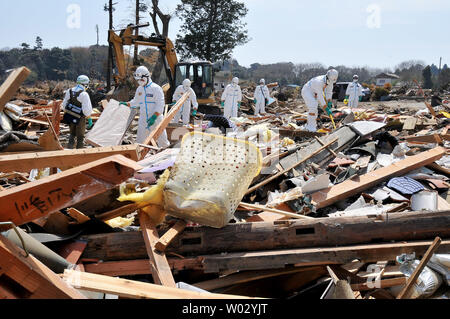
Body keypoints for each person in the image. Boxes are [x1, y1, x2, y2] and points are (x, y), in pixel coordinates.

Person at [120, 66, 170, 148]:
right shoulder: (140, 89)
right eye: (138, 80)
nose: (140, 82)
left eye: (141, 79)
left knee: (162, 140)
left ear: (147, 76)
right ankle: (141, 157)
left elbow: (160, 104)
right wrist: (127, 104)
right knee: (140, 141)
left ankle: (166, 154)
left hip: (156, 119)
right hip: (143, 119)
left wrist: (154, 117)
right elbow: (136, 102)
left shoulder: (156, 88)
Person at [62, 75, 93, 149]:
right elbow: (87, 111)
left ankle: (69, 149)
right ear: (85, 84)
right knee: (80, 137)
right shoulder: (84, 94)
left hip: (70, 116)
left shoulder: (69, 91)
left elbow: (64, 106)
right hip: (80, 119)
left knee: (72, 134)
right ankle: (79, 153)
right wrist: (89, 118)